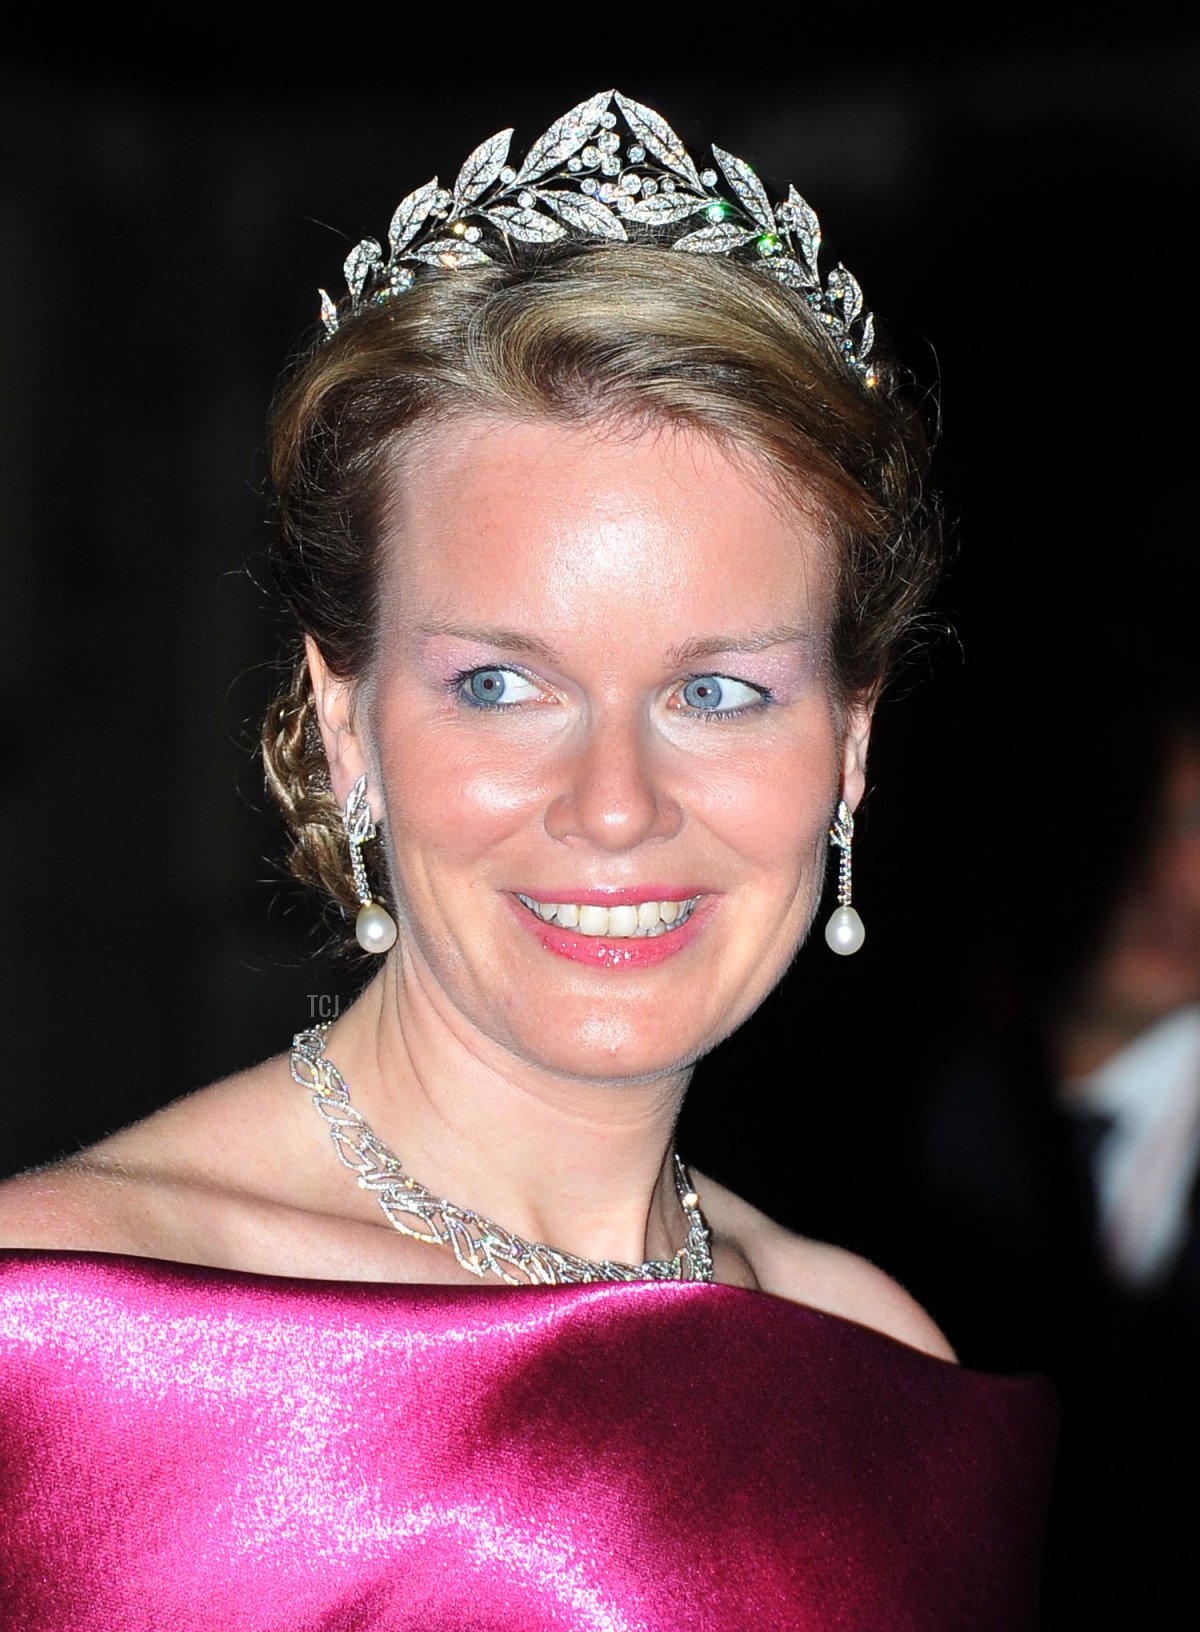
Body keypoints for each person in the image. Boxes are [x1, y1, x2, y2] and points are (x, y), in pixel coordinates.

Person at [0, 92, 1054, 1628]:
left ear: (852, 744)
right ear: (345, 720)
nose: (613, 805)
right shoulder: (59, 1328)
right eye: (502, 684)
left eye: (718, 692)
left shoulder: (879, 1357)